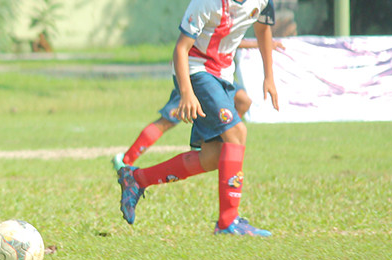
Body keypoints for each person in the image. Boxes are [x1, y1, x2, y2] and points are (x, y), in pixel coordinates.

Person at [117, 0, 279, 236]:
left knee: (212, 157)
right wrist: (187, 93)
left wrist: (269, 76)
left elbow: (263, 31)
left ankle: (136, 179)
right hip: (196, 70)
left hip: (222, 75)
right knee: (237, 133)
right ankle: (228, 221)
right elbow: (180, 49)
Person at [113, 38, 284, 169]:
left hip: (218, 76)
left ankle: (218, 138)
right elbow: (186, 42)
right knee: (167, 121)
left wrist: (262, 44)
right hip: (195, 76)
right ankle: (126, 161)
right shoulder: (208, 10)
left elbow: (231, 40)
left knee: (243, 101)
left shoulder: (231, 14)